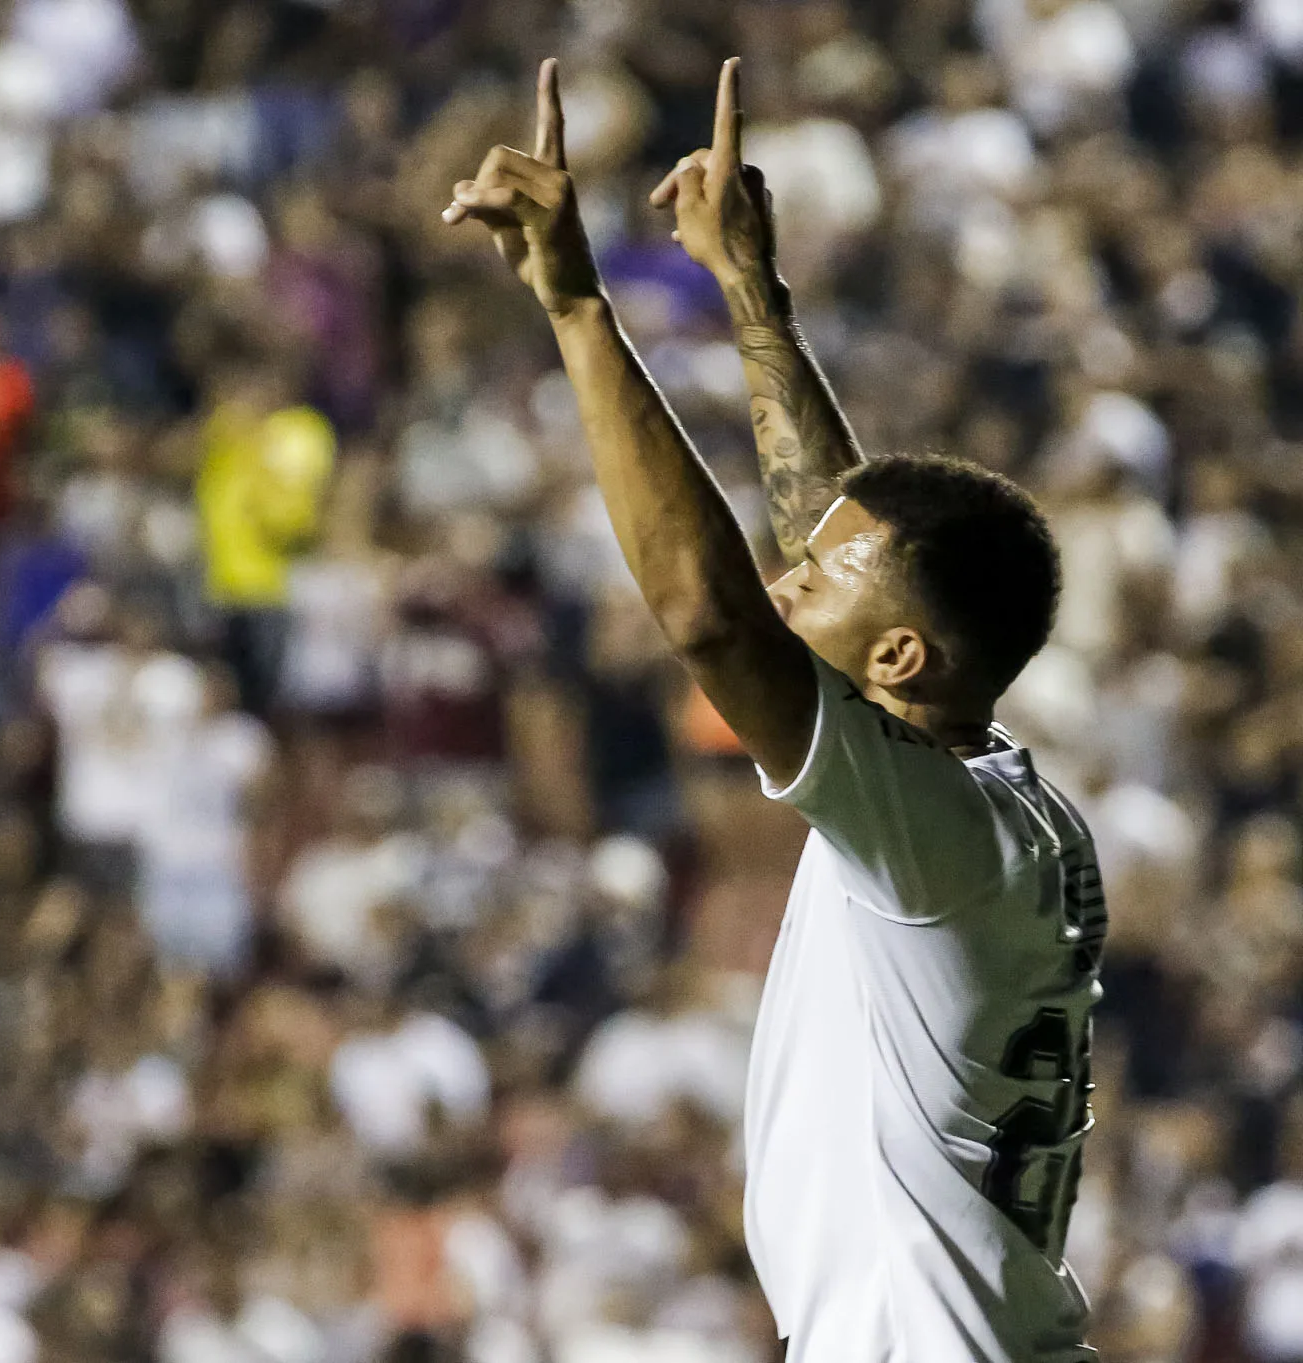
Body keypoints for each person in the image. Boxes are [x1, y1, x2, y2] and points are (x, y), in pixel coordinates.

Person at [444, 58, 1102, 1363]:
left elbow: (709, 611)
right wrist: (752, 294)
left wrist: (581, 307)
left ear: (904, 657)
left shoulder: (929, 835)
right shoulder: (999, 798)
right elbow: (837, 530)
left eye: (820, 580)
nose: (790, 567)